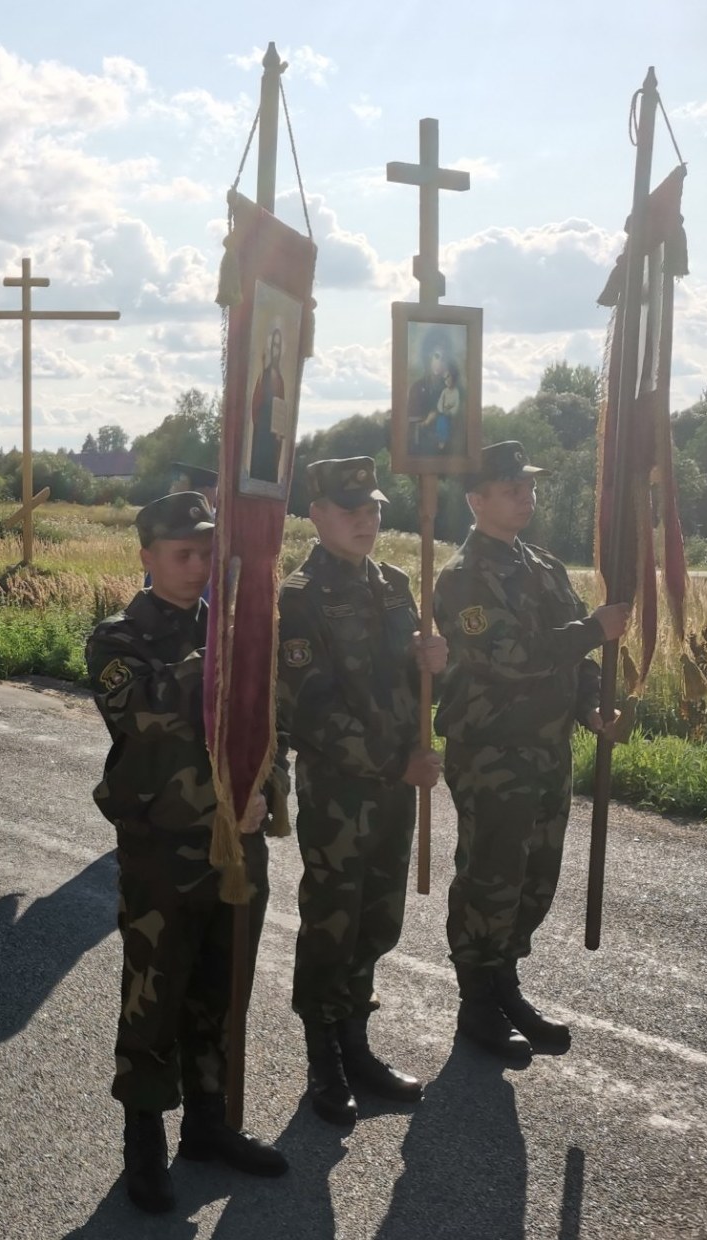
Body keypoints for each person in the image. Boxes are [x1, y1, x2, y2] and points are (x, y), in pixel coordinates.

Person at [86, 490, 289, 1215]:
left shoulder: (238, 630)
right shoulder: (119, 637)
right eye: (183, 554)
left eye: (207, 552)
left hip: (234, 840)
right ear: (146, 557)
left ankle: (208, 1125)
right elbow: (138, 713)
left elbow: (268, 721)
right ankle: (143, 1141)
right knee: (154, 995)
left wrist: (271, 793)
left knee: (221, 988)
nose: (198, 566)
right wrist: (220, 657)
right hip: (162, 848)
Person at [434, 441, 630, 1059]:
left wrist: (592, 703)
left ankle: (505, 982)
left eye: (528, 486)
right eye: (511, 487)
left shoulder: (543, 565)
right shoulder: (464, 578)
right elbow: (509, 657)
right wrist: (593, 628)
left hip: (547, 750)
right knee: (491, 875)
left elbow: (577, 658)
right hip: (494, 753)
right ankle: (476, 1002)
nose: (526, 495)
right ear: (477, 500)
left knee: (534, 878)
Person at [275, 458, 447, 1124]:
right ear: (317, 514)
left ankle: (356, 1041)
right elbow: (311, 707)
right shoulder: (301, 595)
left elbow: (413, 685)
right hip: (341, 791)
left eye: (372, 508)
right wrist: (390, 762)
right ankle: (324, 1055)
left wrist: (435, 662)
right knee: (332, 919)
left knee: (378, 918)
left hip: (396, 786)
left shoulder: (398, 584)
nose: (366, 520)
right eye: (350, 510)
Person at [248, 324, 286, 483]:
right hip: (263, 430)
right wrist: (261, 423)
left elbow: (282, 407)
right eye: (273, 346)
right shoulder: (264, 374)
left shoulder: (280, 379)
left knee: (271, 469)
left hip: (273, 435)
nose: (275, 350)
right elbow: (255, 403)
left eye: (278, 346)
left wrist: (279, 431)